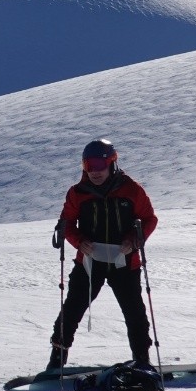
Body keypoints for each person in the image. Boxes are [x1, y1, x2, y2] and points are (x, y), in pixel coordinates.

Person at [48, 138, 159, 371]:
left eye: (99, 165)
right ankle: (57, 359)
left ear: (112, 163)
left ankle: (142, 358)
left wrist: (134, 241)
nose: (94, 171)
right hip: (89, 262)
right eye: (89, 166)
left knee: (134, 312)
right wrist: (79, 242)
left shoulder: (132, 190)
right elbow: (66, 224)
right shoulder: (77, 193)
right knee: (73, 309)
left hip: (125, 262)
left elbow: (149, 219)